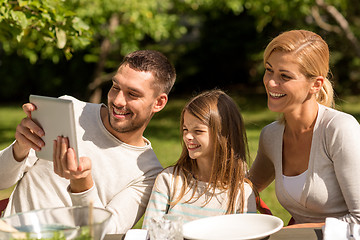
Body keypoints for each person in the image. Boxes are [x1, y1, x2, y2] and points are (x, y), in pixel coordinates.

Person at [0, 50, 176, 234]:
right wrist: (19, 149)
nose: (117, 100)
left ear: (159, 103)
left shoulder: (148, 174)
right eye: (115, 87)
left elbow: (107, 231)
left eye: (132, 94)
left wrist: (81, 183)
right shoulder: (68, 110)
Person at [249, 30, 360, 225]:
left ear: (315, 84)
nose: (271, 82)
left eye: (285, 76)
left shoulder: (339, 129)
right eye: (269, 70)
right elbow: (246, 189)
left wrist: (292, 235)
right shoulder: (271, 136)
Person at [142, 89, 257, 229]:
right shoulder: (169, 180)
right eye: (185, 129)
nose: (188, 137)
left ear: (224, 135)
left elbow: (247, 236)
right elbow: (149, 232)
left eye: (198, 131)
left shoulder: (242, 192)